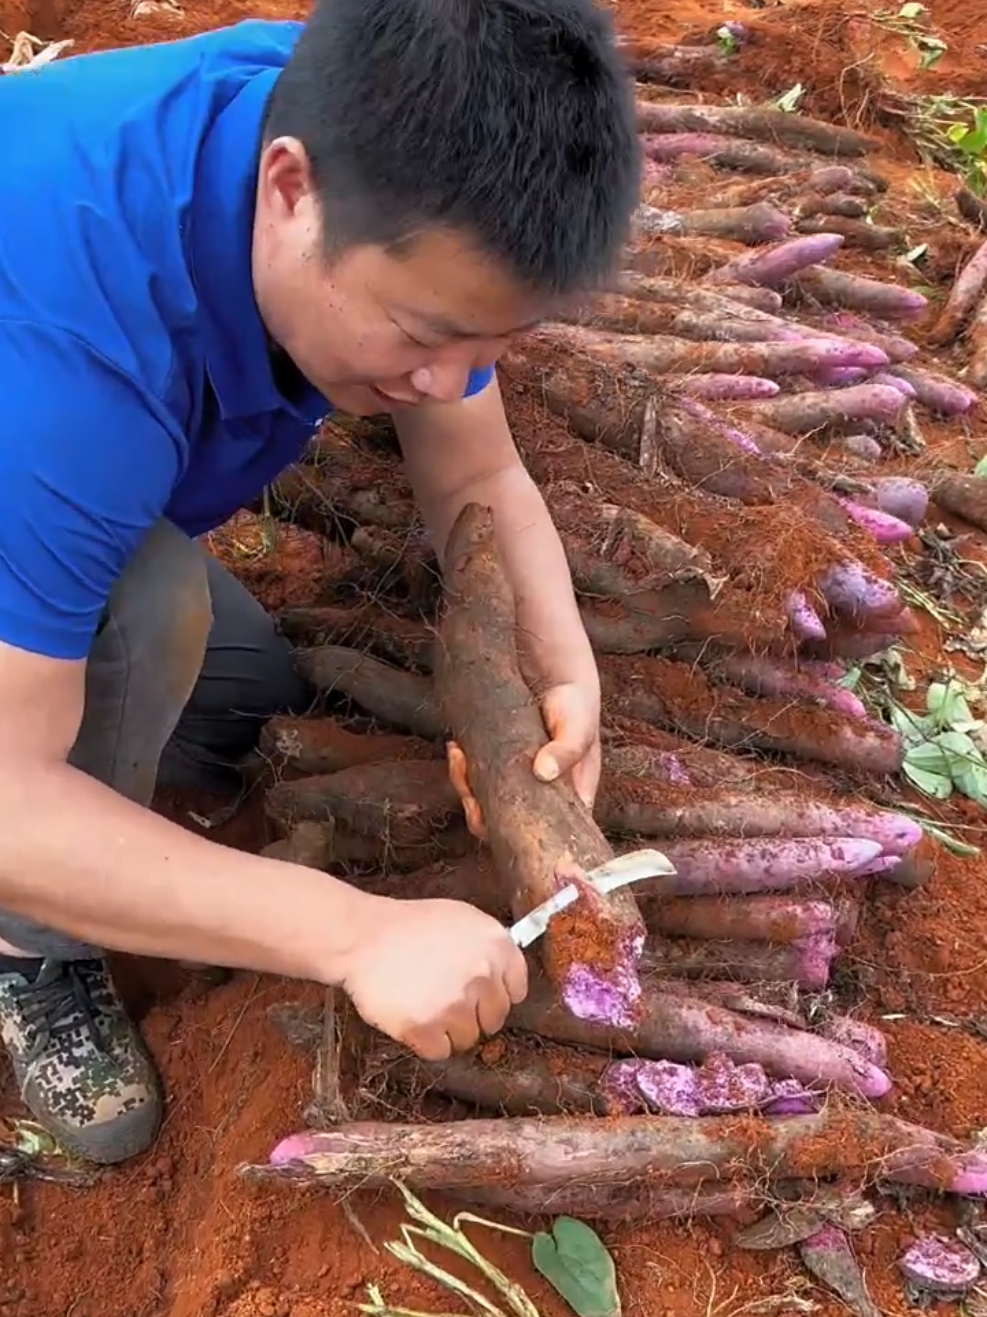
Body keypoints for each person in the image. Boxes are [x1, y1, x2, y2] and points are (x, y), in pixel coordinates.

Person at [0, 0, 640, 1164]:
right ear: (290, 192)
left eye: (488, 345)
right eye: (422, 335)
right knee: (151, 616)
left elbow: (478, 467)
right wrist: (349, 934)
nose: (453, 381)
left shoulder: (363, 133)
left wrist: (557, 662)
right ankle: (30, 954)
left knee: (236, 693)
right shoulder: (68, 373)